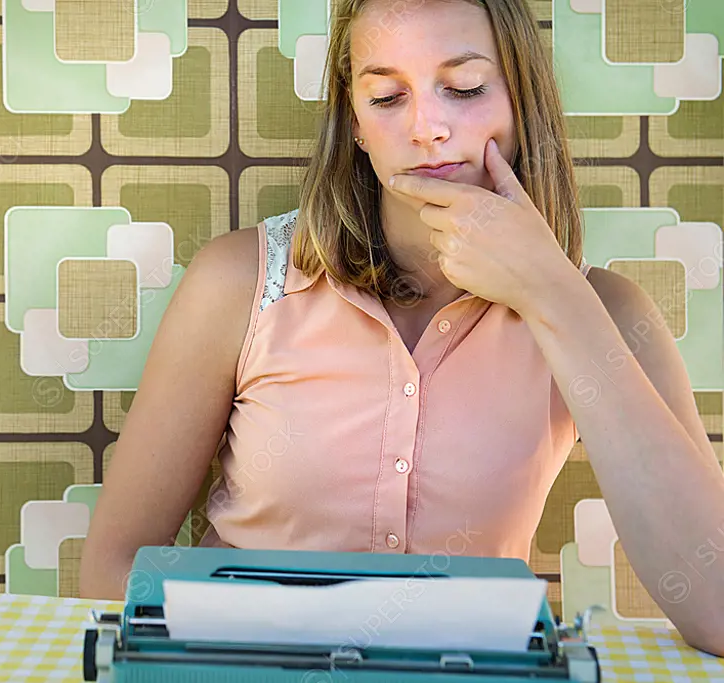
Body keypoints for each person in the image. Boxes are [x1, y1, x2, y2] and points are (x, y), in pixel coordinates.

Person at [78, 0, 724, 656]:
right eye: (387, 96)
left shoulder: (607, 312)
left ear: (522, 103)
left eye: (465, 88)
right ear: (356, 123)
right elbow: (109, 570)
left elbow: (718, 605)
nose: (427, 128)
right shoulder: (237, 284)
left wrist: (553, 293)